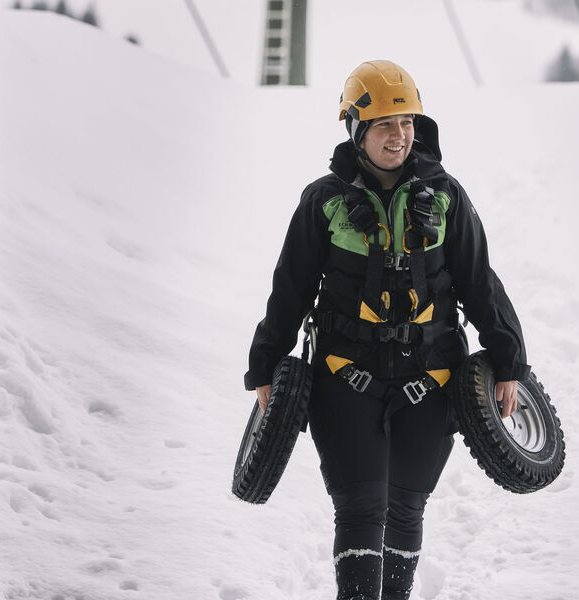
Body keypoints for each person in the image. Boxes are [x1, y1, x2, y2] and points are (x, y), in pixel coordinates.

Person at [245, 60, 530, 600]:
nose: (399, 136)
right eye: (384, 125)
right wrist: (265, 364)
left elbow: (479, 281)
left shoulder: (446, 195)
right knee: (360, 507)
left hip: (433, 375)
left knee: (404, 506)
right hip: (344, 374)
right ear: (356, 128)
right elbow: (291, 287)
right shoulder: (323, 200)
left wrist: (509, 361)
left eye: (407, 123)